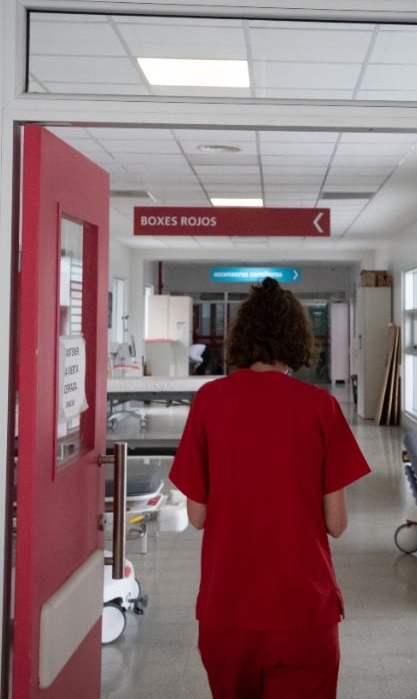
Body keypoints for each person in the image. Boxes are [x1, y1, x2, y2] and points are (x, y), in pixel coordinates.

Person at [169, 277, 371, 698]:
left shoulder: (209, 401)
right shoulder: (321, 407)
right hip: (303, 611)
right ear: (297, 339)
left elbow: (196, 516)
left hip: (227, 610)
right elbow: (336, 524)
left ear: (241, 338)